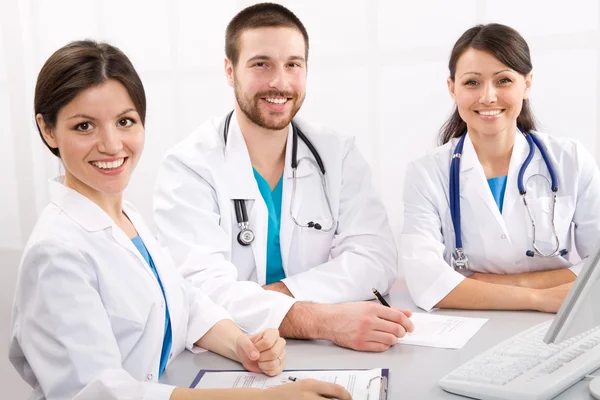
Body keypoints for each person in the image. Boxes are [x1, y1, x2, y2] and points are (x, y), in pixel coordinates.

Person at [9, 40, 351, 400]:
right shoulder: (55, 254)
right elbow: (101, 393)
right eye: (84, 127)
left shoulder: (126, 217)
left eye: (125, 121)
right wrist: (265, 398)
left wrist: (242, 346)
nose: (111, 144)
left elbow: (181, 301)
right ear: (48, 130)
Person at [154, 2, 413, 352]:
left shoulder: (337, 154)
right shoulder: (189, 166)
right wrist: (319, 319)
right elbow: (199, 290)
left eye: (293, 65)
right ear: (230, 71)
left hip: (329, 347)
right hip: (232, 352)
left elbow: (375, 258)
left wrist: (276, 297)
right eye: (261, 64)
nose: (280, 82)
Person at [400, 23, 600, 313]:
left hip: (559, 324)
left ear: (527, 84)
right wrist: (541, 298)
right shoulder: (427, 173)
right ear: (452, 88)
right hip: (474, 325)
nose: (488, 97)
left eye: (503, 80)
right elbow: (426, 281)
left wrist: (515, 284)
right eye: (472, 82)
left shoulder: (569, 159)